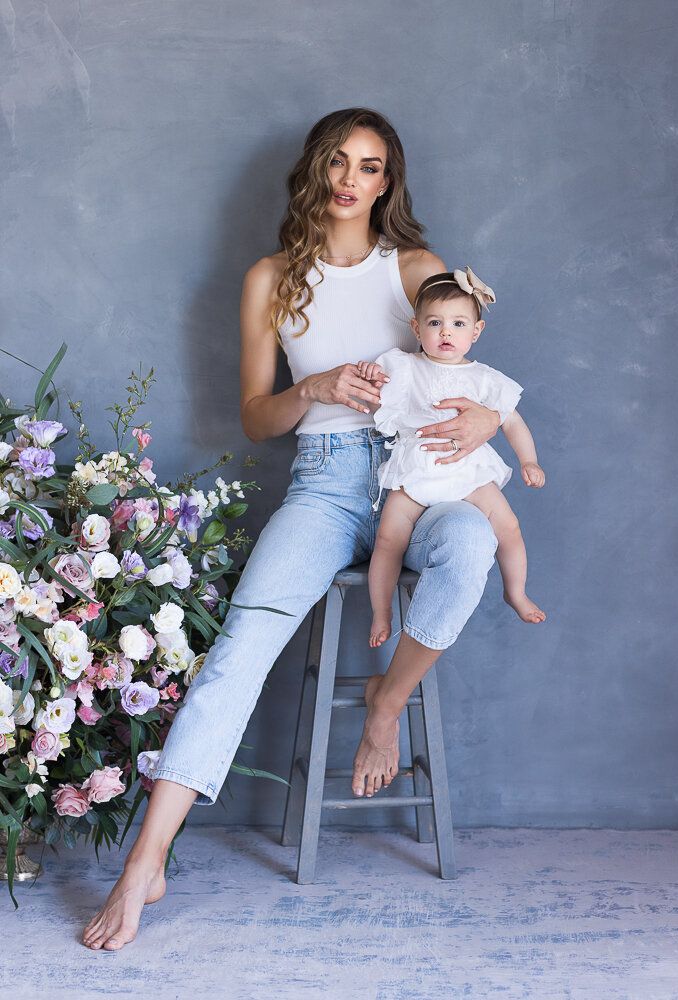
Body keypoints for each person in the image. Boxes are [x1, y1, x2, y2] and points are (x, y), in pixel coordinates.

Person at [82, 107, 501, 951]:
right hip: (323, 485)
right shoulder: (270, 278)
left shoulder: (415, 268)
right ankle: (144, 864)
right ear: (317, 169)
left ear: (389, 181)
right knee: (241, 644)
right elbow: (252, 417)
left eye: (372, 167)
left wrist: (488, 424)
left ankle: (387, 701)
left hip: (411, 477)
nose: (353, 179)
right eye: (341, 162)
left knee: (473, 545)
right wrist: (311, 390)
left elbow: (469, 372)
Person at [356, 265, 546, 649]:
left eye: (459, 324)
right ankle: (381, 611)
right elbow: (376, 387)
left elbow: (513, 422)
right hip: (417, 467)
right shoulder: (405, 366)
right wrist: (371, 373)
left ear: (476, 332)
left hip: (469, 470)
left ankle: (516, 592)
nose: (446, 333)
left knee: (508, 527)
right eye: (435, 323)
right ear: (416, 328)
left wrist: (529, 460)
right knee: (388, 540)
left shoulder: (486, 379)